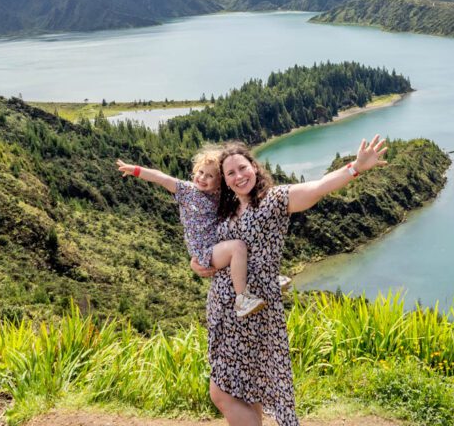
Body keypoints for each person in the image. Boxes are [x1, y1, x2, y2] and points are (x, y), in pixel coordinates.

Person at [193, 135, 388, 426]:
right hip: (225, 311)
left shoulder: (273, 200)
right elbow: (212, 247)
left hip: (251, 312)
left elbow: (317, 188)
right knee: (247, 391)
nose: (238, 176)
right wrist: (200, 263)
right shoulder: (228, 209)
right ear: (225, 180)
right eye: (230, 173)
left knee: (221, 393)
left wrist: (355, 168)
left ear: (255, 168)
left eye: (242, 168)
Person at [116, 147, 266, 318]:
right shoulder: (187, 191)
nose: (202, 178)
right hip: (205, 252)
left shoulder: (221, 196)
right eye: (201, 172)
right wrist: (135, 170)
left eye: (210, 176)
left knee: (245, 233)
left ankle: (265, 280)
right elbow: (161, 178)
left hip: (218, 244)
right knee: (238, 247)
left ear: (220, 182)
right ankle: (242, 301)